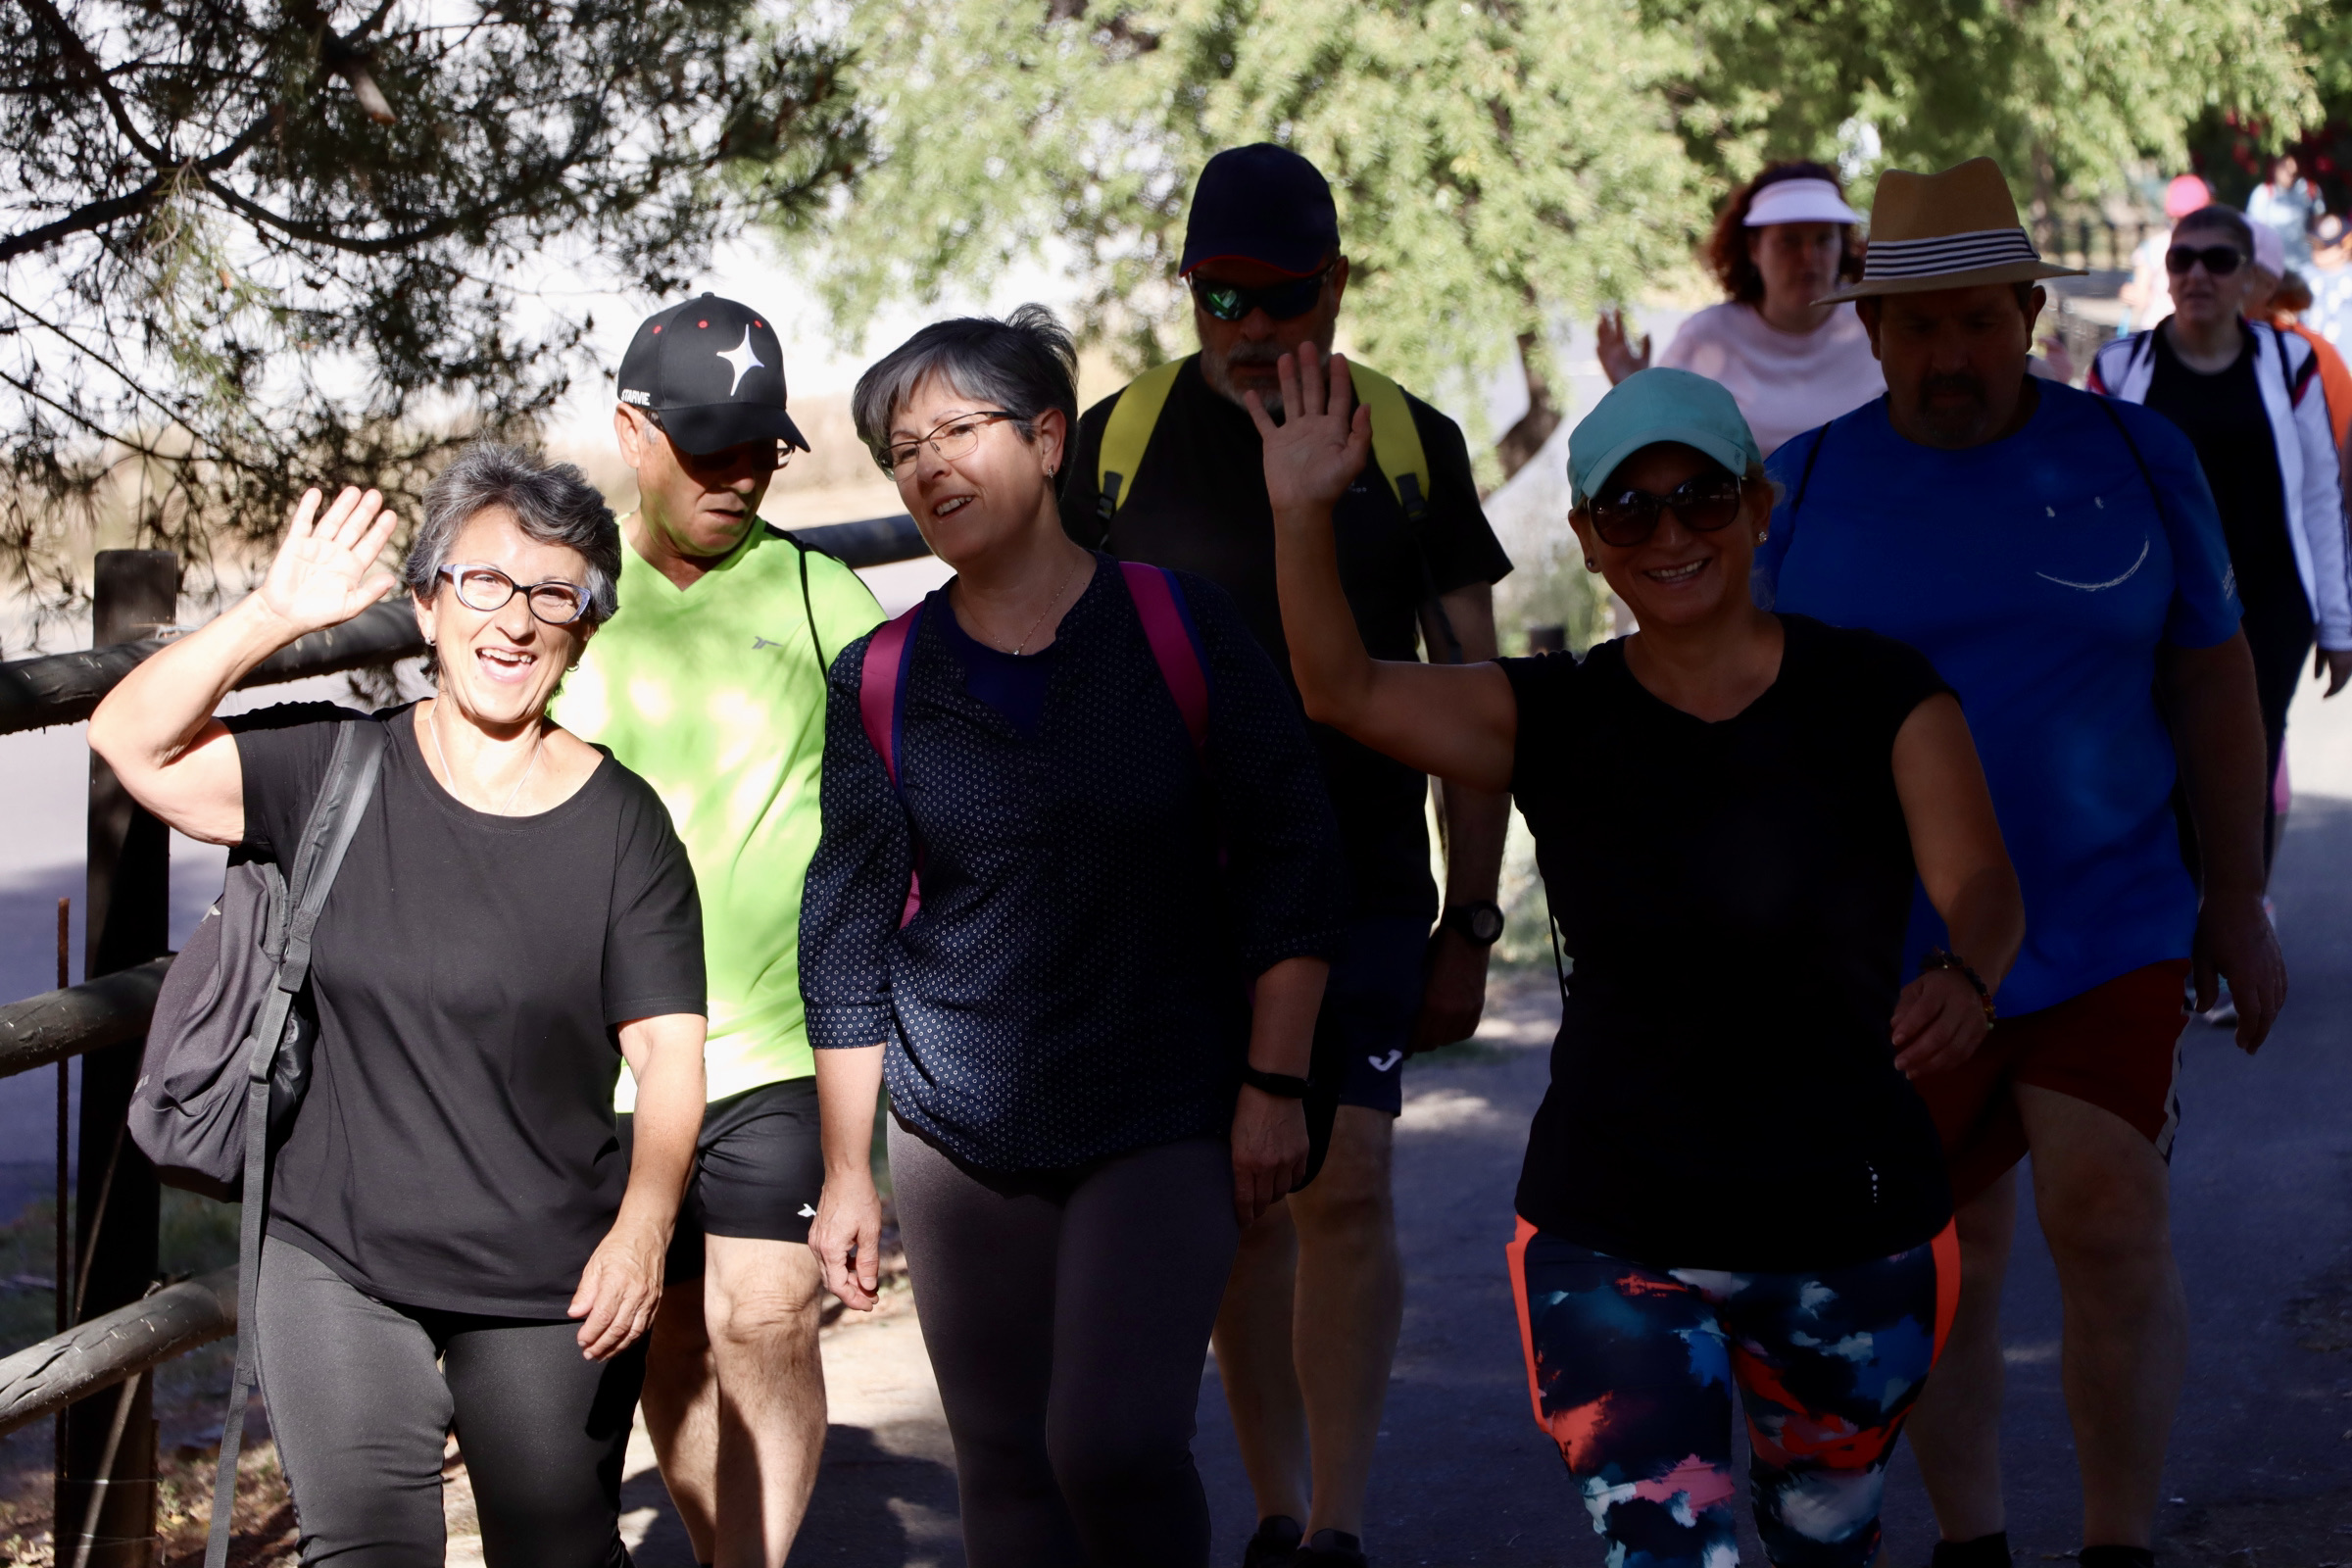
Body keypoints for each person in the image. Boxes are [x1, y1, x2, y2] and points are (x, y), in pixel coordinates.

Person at [1258, 347, 2024, 1567]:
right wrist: (1300, 509)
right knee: (1667, 1551)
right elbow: (1337, 685)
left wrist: (1967, 974)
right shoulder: (1551, 713)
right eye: (1629, 507)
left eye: (1702, 497)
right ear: (1590, 537)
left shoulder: (1878, 693)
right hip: (1610, 1225)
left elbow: (1983, 885)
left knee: (1827, 1537)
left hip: (1851, 1221)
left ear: (1758, 508)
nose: (1669, 531)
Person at [1757, 157, 2288, 1568]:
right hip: (1904, 953)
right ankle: (1973, 1540)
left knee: (2106, 1209)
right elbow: (1746, 726)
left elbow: (2215, 680)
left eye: (1978, 321)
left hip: (2110, 916)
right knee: (1952, 1259)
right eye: (1919, 329)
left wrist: (2236, 898)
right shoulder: (1797, 497)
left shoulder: (2132, 458)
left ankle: (2119, 1543)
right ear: (1870, 334)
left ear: (2027, 312)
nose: (1950, 356)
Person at [87, 453, 709, 1568]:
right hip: (335, 1253)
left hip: (547, 1268)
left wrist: (645, 1224)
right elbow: (129, 740)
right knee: (366, 1549)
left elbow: (668, 1050)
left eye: (553, 594)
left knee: (558, 1545)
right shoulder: (333, 766)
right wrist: (271, 614)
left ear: (585, 627)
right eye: (481, 583)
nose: (514, 622)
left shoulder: (625, 828)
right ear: (425, 603)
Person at [802, 306, 1349, 1568]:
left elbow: (1294, 858)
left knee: (1110, 1443)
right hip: (956, 1126)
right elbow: (845, 935)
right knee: (1003, 1469)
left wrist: (1274, 1082)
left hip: (1163, 1102)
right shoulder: (881, 677)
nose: (928, 464)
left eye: (957, 429)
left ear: (1049, 440)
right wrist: (847, 1171)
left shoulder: (1178, 625)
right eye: (902, 448)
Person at [1056, 142, 1515, 1568]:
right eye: (1220, 298)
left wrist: (1476, 921)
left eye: (1284, 298)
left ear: (1337, 284)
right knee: (1245, 1210)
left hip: (1367, 878)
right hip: (1181, 905)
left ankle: (1337, 1526)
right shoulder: (1113, 445)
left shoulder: (1410, 438)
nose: (1254, 331)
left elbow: (1479, 695)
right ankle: (1271, 1510)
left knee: (1349, 1181)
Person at [558, 295, 885, 1566]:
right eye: (709, 449)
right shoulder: (562, 600)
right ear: (632, 432)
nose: (741, 476)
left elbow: (933, 776)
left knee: (766, 1316)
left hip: (772, 1047)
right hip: (606, 1063)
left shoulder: (822, 600)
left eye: (762, 449)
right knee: (674, 1335)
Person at [2086, 207, 2352, 929]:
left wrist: (2338, 622)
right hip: (2157, 600)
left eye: (2218, 260)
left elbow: (2321, 496)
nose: (2196, 274)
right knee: (2160, 757)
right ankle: (2174, 920)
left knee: (2247, 761)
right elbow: (2092, 496)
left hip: (2269, 602)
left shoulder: (2290, 363)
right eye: (2182, 260)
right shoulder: (2121, 367)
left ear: (2250, 279)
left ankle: (2239, 921)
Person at [1596, 160, 1883, 453]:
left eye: (1824, 239)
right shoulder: (1706, 335)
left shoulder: (1877, 322)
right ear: (1754, 249)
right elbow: (1665, 446)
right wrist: (1635, 395)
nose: (1808, 257)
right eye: (1789, 241)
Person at [2120, 173, 2214, 333]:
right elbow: (2141, 295)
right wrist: (2133, 294)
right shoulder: (2155, 247)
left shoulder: (2154, 246)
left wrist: (2136, 295)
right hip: (2162, 330)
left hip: (2168, 329)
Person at [2247, 151, 2318, 270]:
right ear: (2274, 168)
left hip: (2305, 265)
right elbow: (2256, 233)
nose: (2289, 174)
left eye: (2293, 172)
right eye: (2285, 169)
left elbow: (2317, 227)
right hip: (2274, 267)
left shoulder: (2307, 190)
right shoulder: (2262, 194)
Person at [2304, 214, 2352, 347]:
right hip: (2312, 359)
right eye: (2315, 244)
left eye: (2325, 247)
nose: (2317, 250)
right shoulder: (2303, 276)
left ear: (2345, 247)